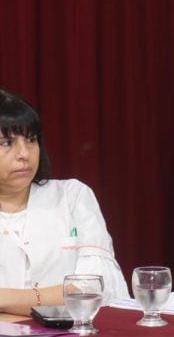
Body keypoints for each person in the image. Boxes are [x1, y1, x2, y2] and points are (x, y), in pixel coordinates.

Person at [0, 89, 129, 316]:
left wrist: (8, 299)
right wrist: (56, 298)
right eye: (6, 142)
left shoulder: (72, 196)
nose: (24, 154)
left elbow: (99, 288)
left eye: (31, 140)